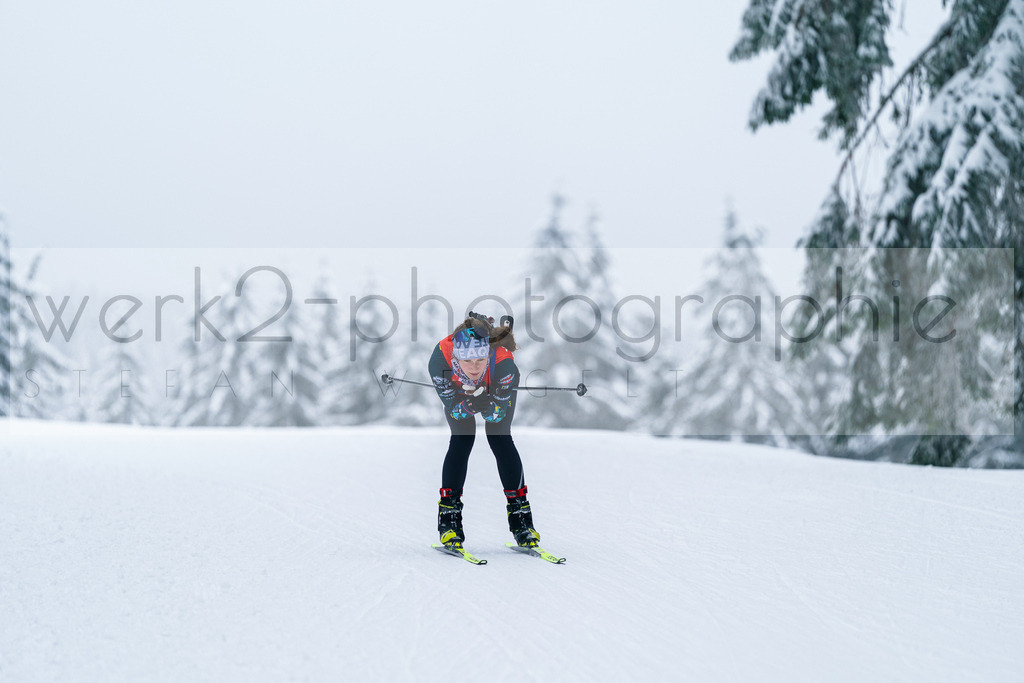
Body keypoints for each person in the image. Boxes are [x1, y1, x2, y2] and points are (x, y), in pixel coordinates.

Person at [428, 311, 540, 551]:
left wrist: (488, 405)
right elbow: (455, 411)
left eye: (480, 360)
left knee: (499, 438)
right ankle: (449, 521)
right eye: (467, 361)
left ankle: (521, 520)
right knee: (462, 439)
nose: (475, 367)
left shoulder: (504, 364)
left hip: (495, 387)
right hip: (460, 393)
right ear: (456, 357)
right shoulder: (440, 361)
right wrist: (468, 405)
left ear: (488, 353)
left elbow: (496, 416)